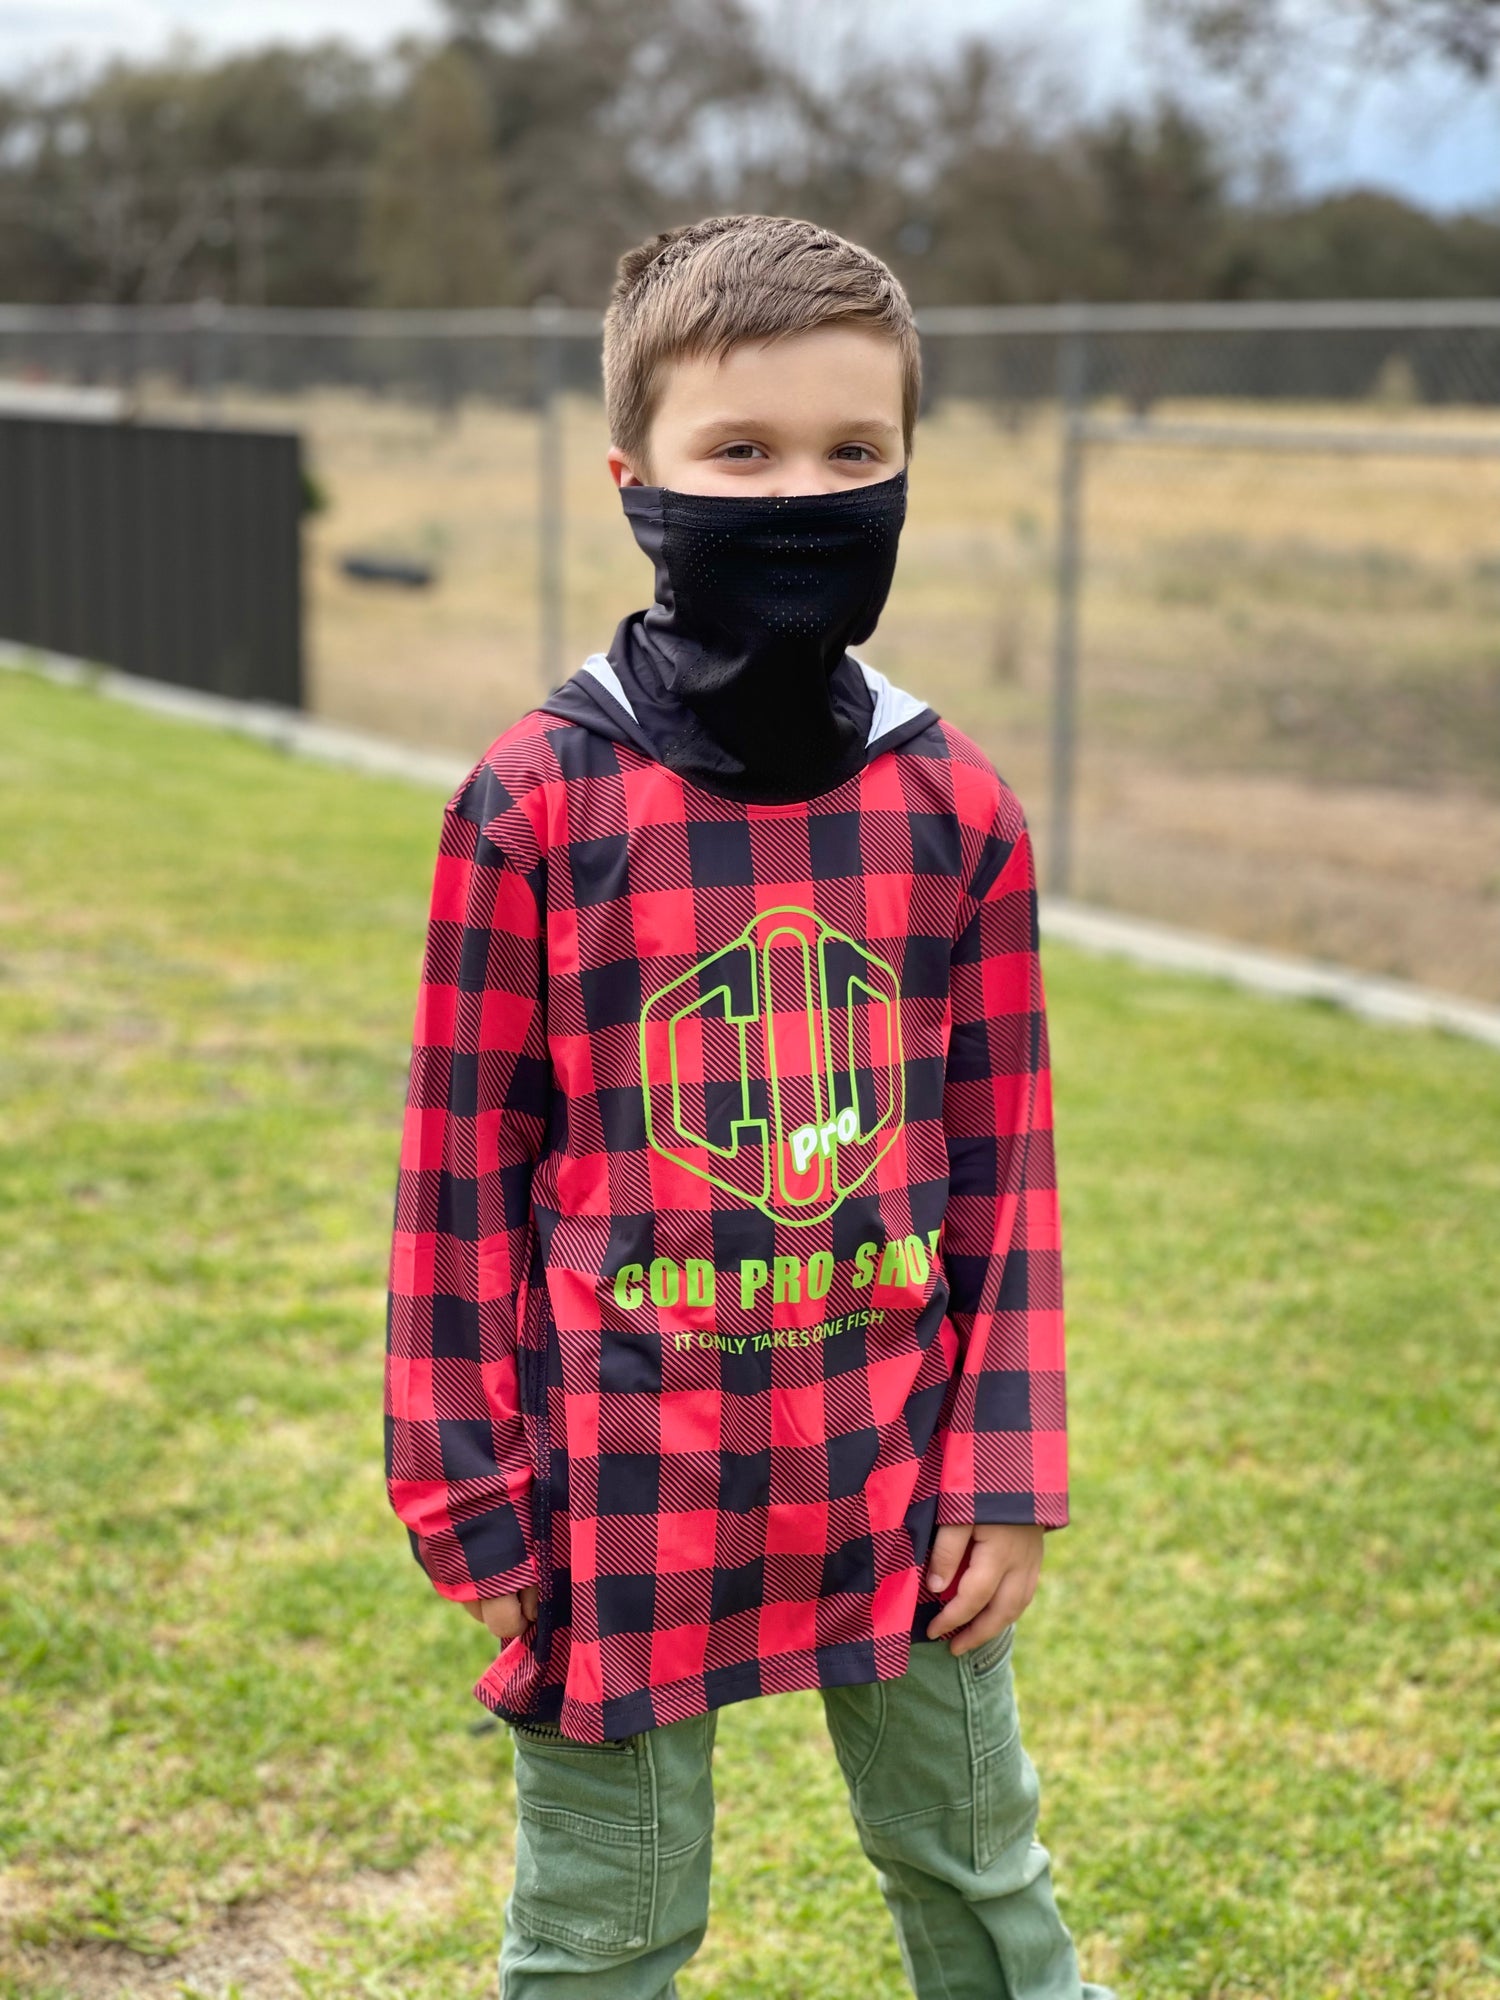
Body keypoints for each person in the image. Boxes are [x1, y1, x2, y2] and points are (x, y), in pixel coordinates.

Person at [384, 213, 1116, 2000]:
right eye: (744, 454)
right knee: (603, 1932)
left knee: (982, 1877)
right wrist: (469, 1493)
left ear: (908, 475)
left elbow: (1004, 1168)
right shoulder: (535, 804)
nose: (801, 499)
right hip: (615, 1485)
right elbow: (458, 1181)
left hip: (901, 1475)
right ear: (638, 481)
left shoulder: (955, 808)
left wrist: (1005, 1471)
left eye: (854, 455)